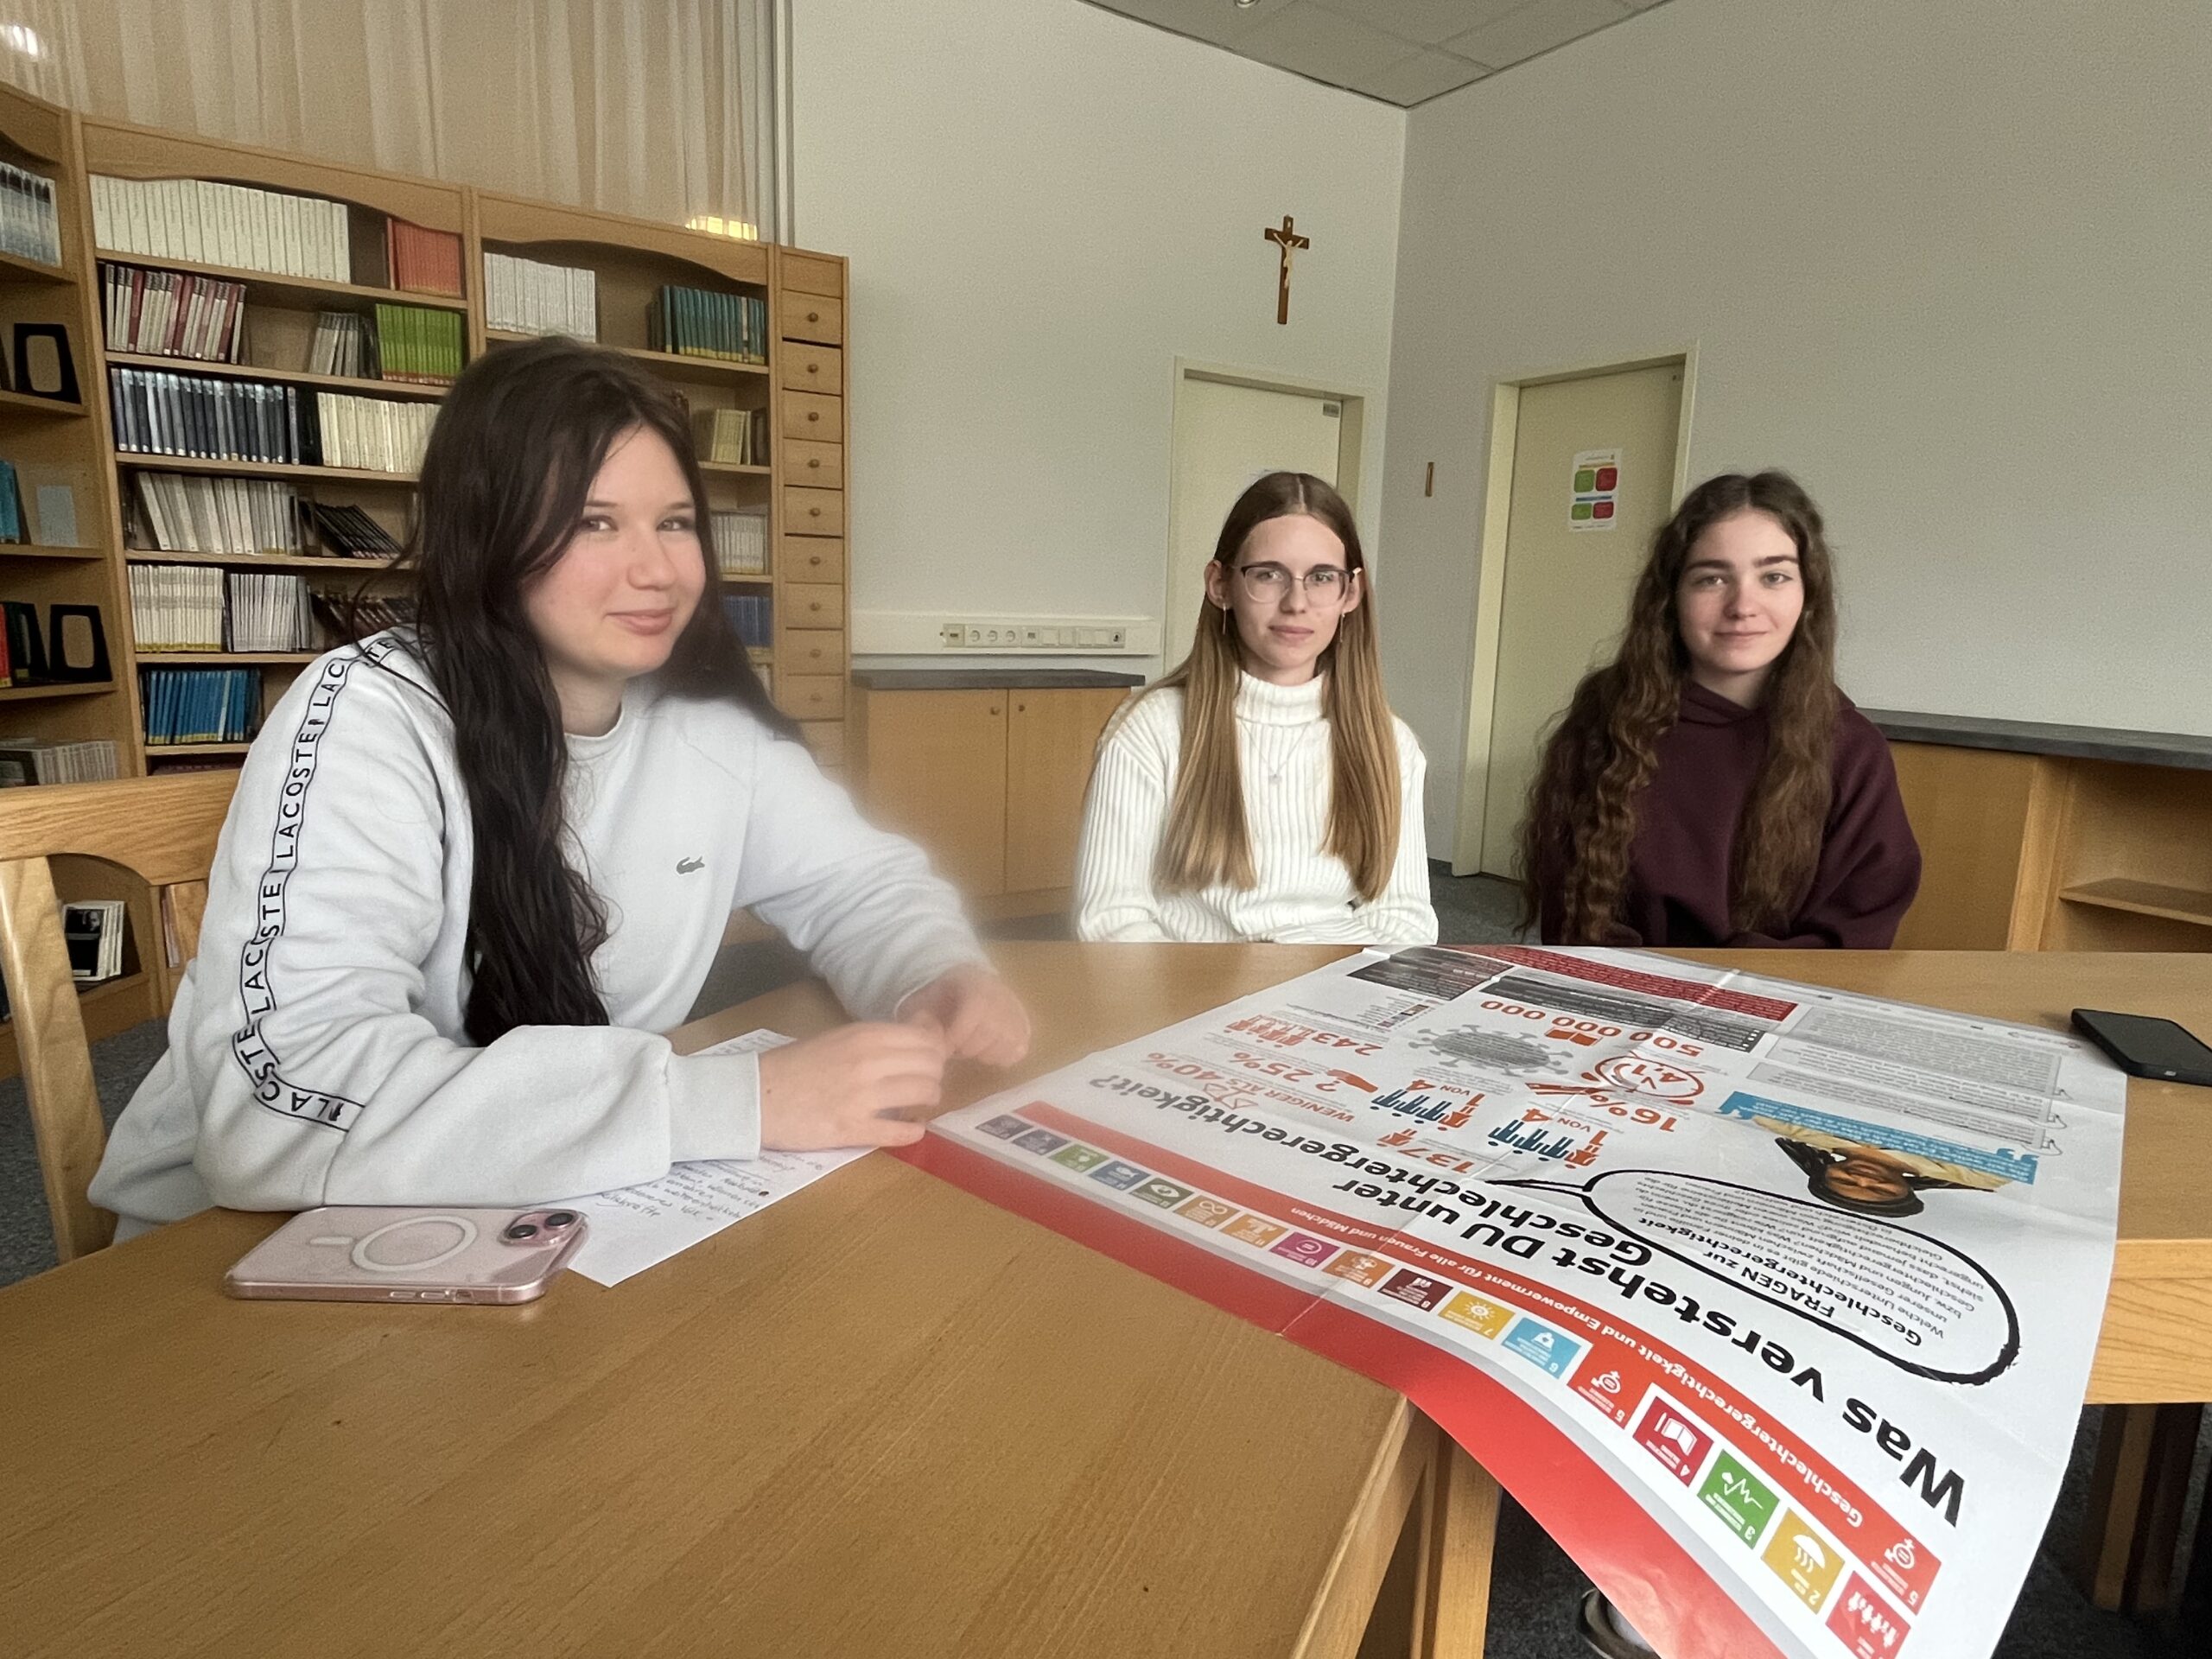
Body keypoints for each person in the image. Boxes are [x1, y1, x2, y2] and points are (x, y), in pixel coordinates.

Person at [91, 339, 1027, 1236]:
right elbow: (282, 1106)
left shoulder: (707, 724)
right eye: (594, 523)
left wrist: (930, 973)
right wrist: (734, 1101)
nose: (657, 570)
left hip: (543, 1207)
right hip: (238, 1242)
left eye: (675, 522)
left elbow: (858, 885)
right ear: (491, 533)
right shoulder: (370, 717)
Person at [1520, 470, 1920, 948]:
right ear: (1671, 598)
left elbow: (1855, 931)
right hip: (1625, 986)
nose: (1742, 605)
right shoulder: (1604, 721)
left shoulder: (1852, 749)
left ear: (1807, 595)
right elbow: (1574, 911)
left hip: (1779, 989)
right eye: (1712, 579)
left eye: (1774, 577)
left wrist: (1736, 982)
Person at [1072, 471, 1437, 944]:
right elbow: (1110, 920)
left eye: (1322, 578)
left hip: (1335, 980)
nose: (1296, 603)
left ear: (1350, 593)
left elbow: (1405, 921)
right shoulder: (1152, 728)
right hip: (1191, 982)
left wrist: (1320, 985)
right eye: (1268, 574)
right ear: (1220, 585)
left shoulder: (1388, 742)